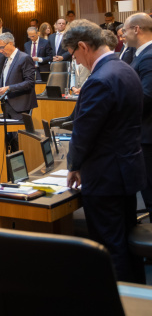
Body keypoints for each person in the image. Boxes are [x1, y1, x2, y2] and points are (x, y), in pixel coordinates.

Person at [63, 20, 145, 283]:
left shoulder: (99, 79)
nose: (76, 60)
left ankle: (119, 303)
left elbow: (84, 132)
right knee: (126, 241)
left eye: (74, 54)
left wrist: (73, 165)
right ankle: (137, 298)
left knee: (110, 246)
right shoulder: (125, 69)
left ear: (84, 46)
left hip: (105, 175)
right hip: (127, 170)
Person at [122, 13, 152, 219]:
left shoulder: (149, 55)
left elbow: (147, 96)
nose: (122, 35)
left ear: (136, 29)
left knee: (150, 191)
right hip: (144, 131)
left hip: (148, 134)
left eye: (124, 30)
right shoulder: (142, 54)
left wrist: (116, 104)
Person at [0, 33, 38, 150]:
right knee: (9, 140)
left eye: (1, 47)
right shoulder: (6, 59)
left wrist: (9, 88)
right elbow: (6, 79)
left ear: (10, 43)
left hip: (20, 105)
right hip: (7, 104)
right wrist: (1, 90)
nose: (0, 51)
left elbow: (29, 83)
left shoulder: (24, 58)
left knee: (18, 141)